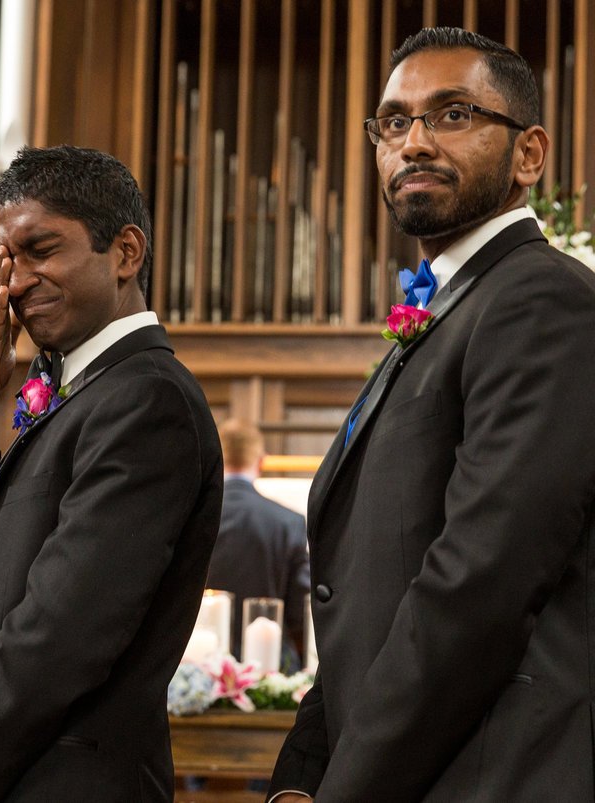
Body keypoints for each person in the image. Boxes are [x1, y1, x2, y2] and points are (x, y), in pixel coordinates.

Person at [269, 28, 595, 802]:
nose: (413, 142)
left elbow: (477, 586)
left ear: (529, 154)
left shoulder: (541, 302)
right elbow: (369, 599)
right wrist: (300, 777)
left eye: (451, 115)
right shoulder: (447, 311)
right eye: (393, 121)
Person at [0, 145, 223, 802]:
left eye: (40, 250)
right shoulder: (77, 393)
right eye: (6, 260)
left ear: (126, 253)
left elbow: (52, 643)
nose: (16, 281)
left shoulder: (145, 400)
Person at [204, 419, 309, 671]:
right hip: (271, 668)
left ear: (216, 459)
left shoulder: (194, 519)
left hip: (203, 667)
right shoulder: (288, 522)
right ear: (261, 461)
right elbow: (300, 611)